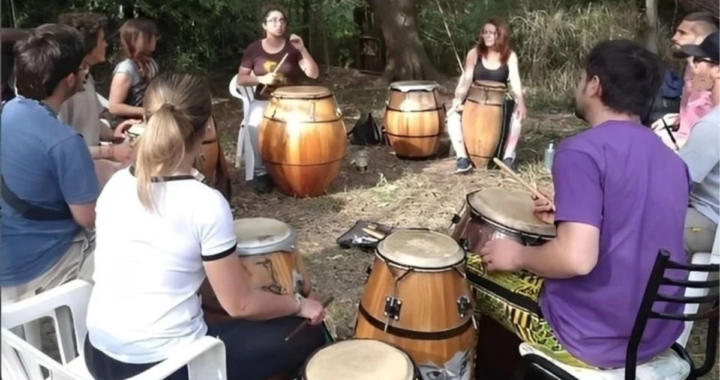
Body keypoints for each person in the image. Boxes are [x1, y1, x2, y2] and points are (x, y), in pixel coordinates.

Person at [84, 73, 326, 380]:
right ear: (207, 125)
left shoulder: (116, 182)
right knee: (305, 334)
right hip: (165, 368)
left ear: (146, 120)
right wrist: (299, 304)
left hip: (99, 354)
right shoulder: (204, 203)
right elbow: (240, 304)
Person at [472, 40, 688, 369]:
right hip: (657, 335)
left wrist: (518, 255)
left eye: (581, 79)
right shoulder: (672, 161)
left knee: (472, 269)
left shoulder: (581, 151)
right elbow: (640, 222)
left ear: (594, 84)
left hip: (591, 337)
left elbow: (577, 259)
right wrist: (571, 212)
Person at [0, 24, 99, 303]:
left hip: (9, 254)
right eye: (82, 68)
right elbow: (88, 218)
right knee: (125, 245)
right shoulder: (65, 142)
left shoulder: (8, 111)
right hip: (41, 266)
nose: (85, 74)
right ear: (69, 80)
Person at [236, 7, 320, 194]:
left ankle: (295, 168)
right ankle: (261, 172)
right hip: (264, 101)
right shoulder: (254, 49)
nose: (279, 24)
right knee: (254, 123)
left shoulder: (293, 48)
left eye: (282, 20)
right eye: (273, 20)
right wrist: (260, 79)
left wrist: (302, 49)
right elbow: (241, 78)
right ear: (264, 25)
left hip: (291, 101)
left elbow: (313, 74)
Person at [57, 12, 137, 184]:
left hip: (93, 166)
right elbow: (61, 150)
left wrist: (112, 135)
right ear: (89, 44)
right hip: (78, 175)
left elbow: (88, 119)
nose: (106, 43)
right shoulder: (63, 87)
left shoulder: (88, 78)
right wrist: (111, 152)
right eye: (102, 39)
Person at [448, 17, 527, 173]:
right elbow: (466, 79)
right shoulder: (474, 53)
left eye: (491, 33)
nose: (487, 36)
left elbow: (515, 81)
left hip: (498, 104)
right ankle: (462, 159)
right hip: (474, 102)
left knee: (517, 119)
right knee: (451, 117)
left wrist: (521, 102)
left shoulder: (509, 56)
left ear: (500, 35)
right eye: (485, 32)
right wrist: (458, 99)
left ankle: (508, 157)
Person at [678, 32, 720, 261]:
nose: (692, 69)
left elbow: (676, 181)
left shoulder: (713, 125)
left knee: (641, 225)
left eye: (698, 61)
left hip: (710, 218)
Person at [652, 12, 718, 150]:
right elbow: (694, 108)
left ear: (702, 39)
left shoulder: (708, 75)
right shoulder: (690, 68)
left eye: (682, 33)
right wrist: (680, 118)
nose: (674, 38)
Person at [107, 18, 159, 121]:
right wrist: (145, 111)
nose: (155, 39)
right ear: (141, 39)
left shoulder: (151, 64)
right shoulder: (126, 69)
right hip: (126, 126)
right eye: (151, 35)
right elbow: (114, 107)